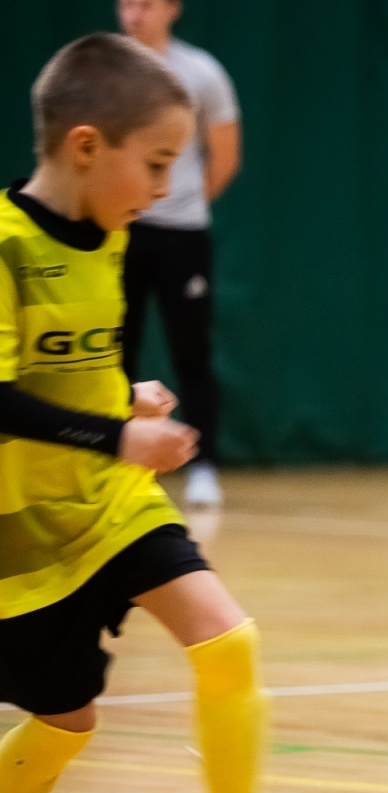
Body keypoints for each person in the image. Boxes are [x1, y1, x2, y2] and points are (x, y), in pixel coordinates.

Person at [0, 34, 334, 793]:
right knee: (68, 720)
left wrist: (126, 396)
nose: (162, 188)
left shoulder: (108, 241)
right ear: (83, 146)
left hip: (109, 502)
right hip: (21, 527)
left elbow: (68, 366)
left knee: (226, 638)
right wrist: (114, 431)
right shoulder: (5, 246)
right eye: (153, 164)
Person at [117, 0, 240, 508]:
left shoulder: (202, 73)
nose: (133, 14)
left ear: (172, 8)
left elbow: (225, 156)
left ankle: (203, 465)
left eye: (145, 4)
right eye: (125, 3)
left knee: (193, 353)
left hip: (183, 234)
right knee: (112, 350)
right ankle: (114, 458)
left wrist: (179, 203)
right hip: (119, 233)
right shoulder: (106, 68)